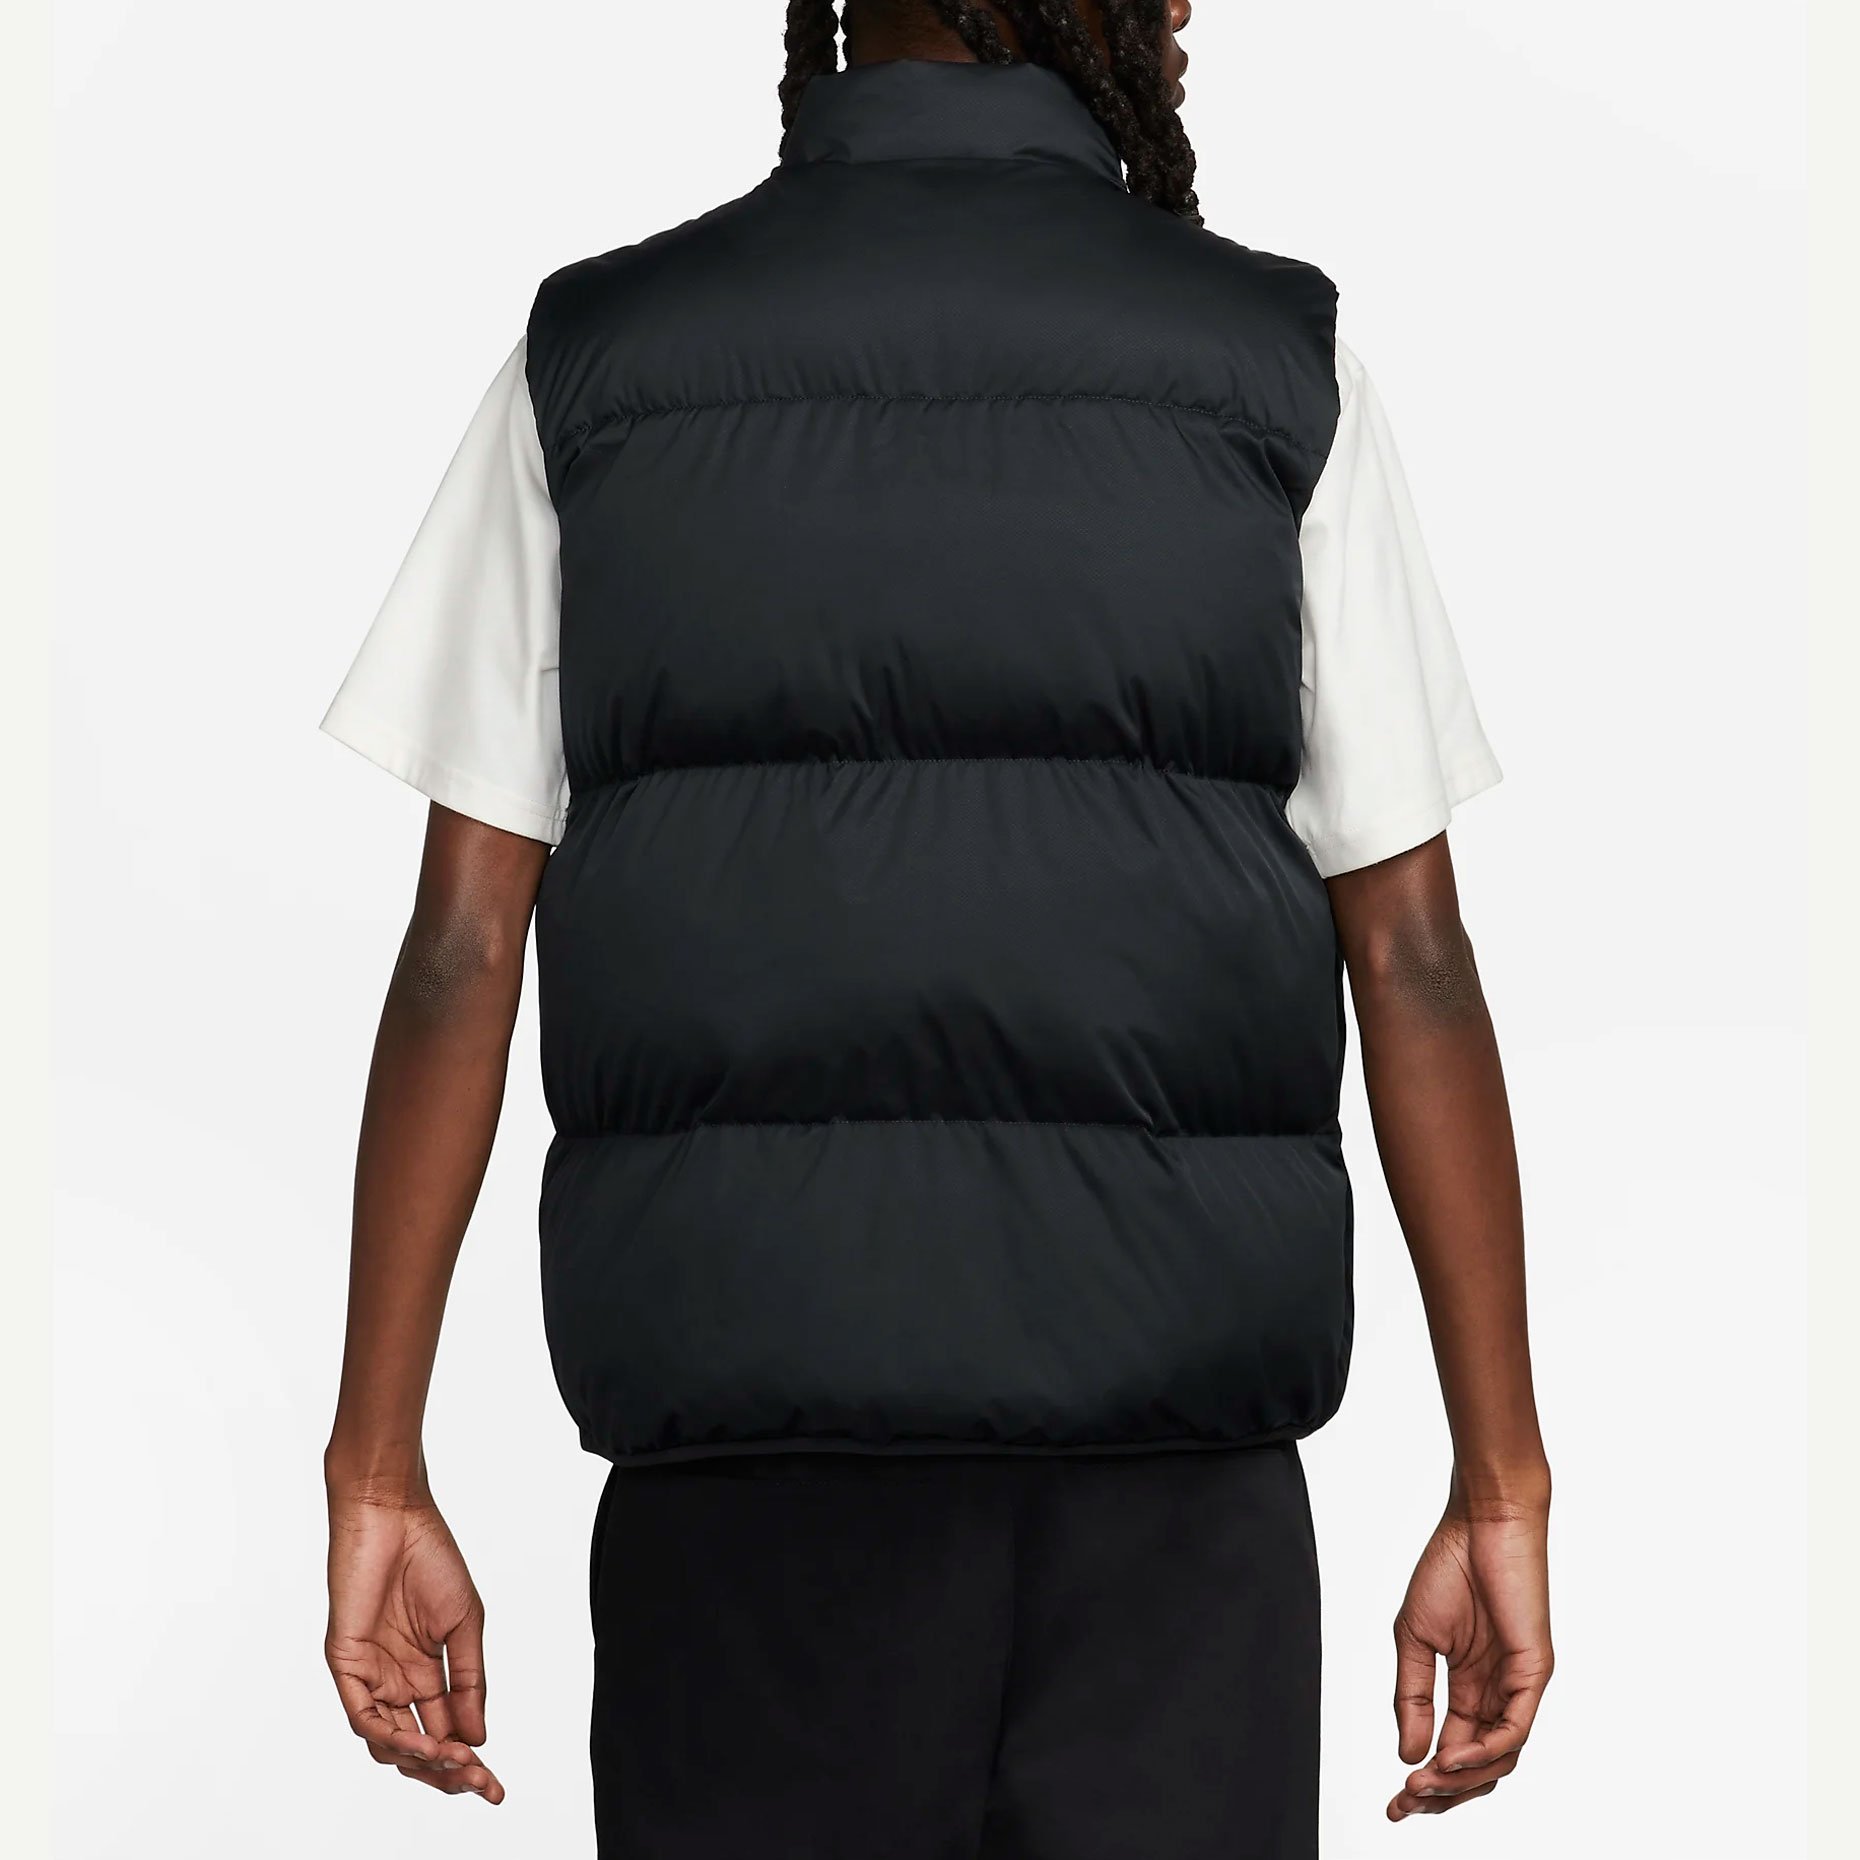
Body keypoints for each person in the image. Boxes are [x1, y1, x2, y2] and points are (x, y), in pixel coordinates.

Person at [320, 3, 1553, 1854]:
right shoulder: (1269, 366)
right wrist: (1501, 1479)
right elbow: (1415, 957)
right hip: (1176, 1512)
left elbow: (461, 948)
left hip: (745, 1503)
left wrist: (374, 1466)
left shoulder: (604, 362)